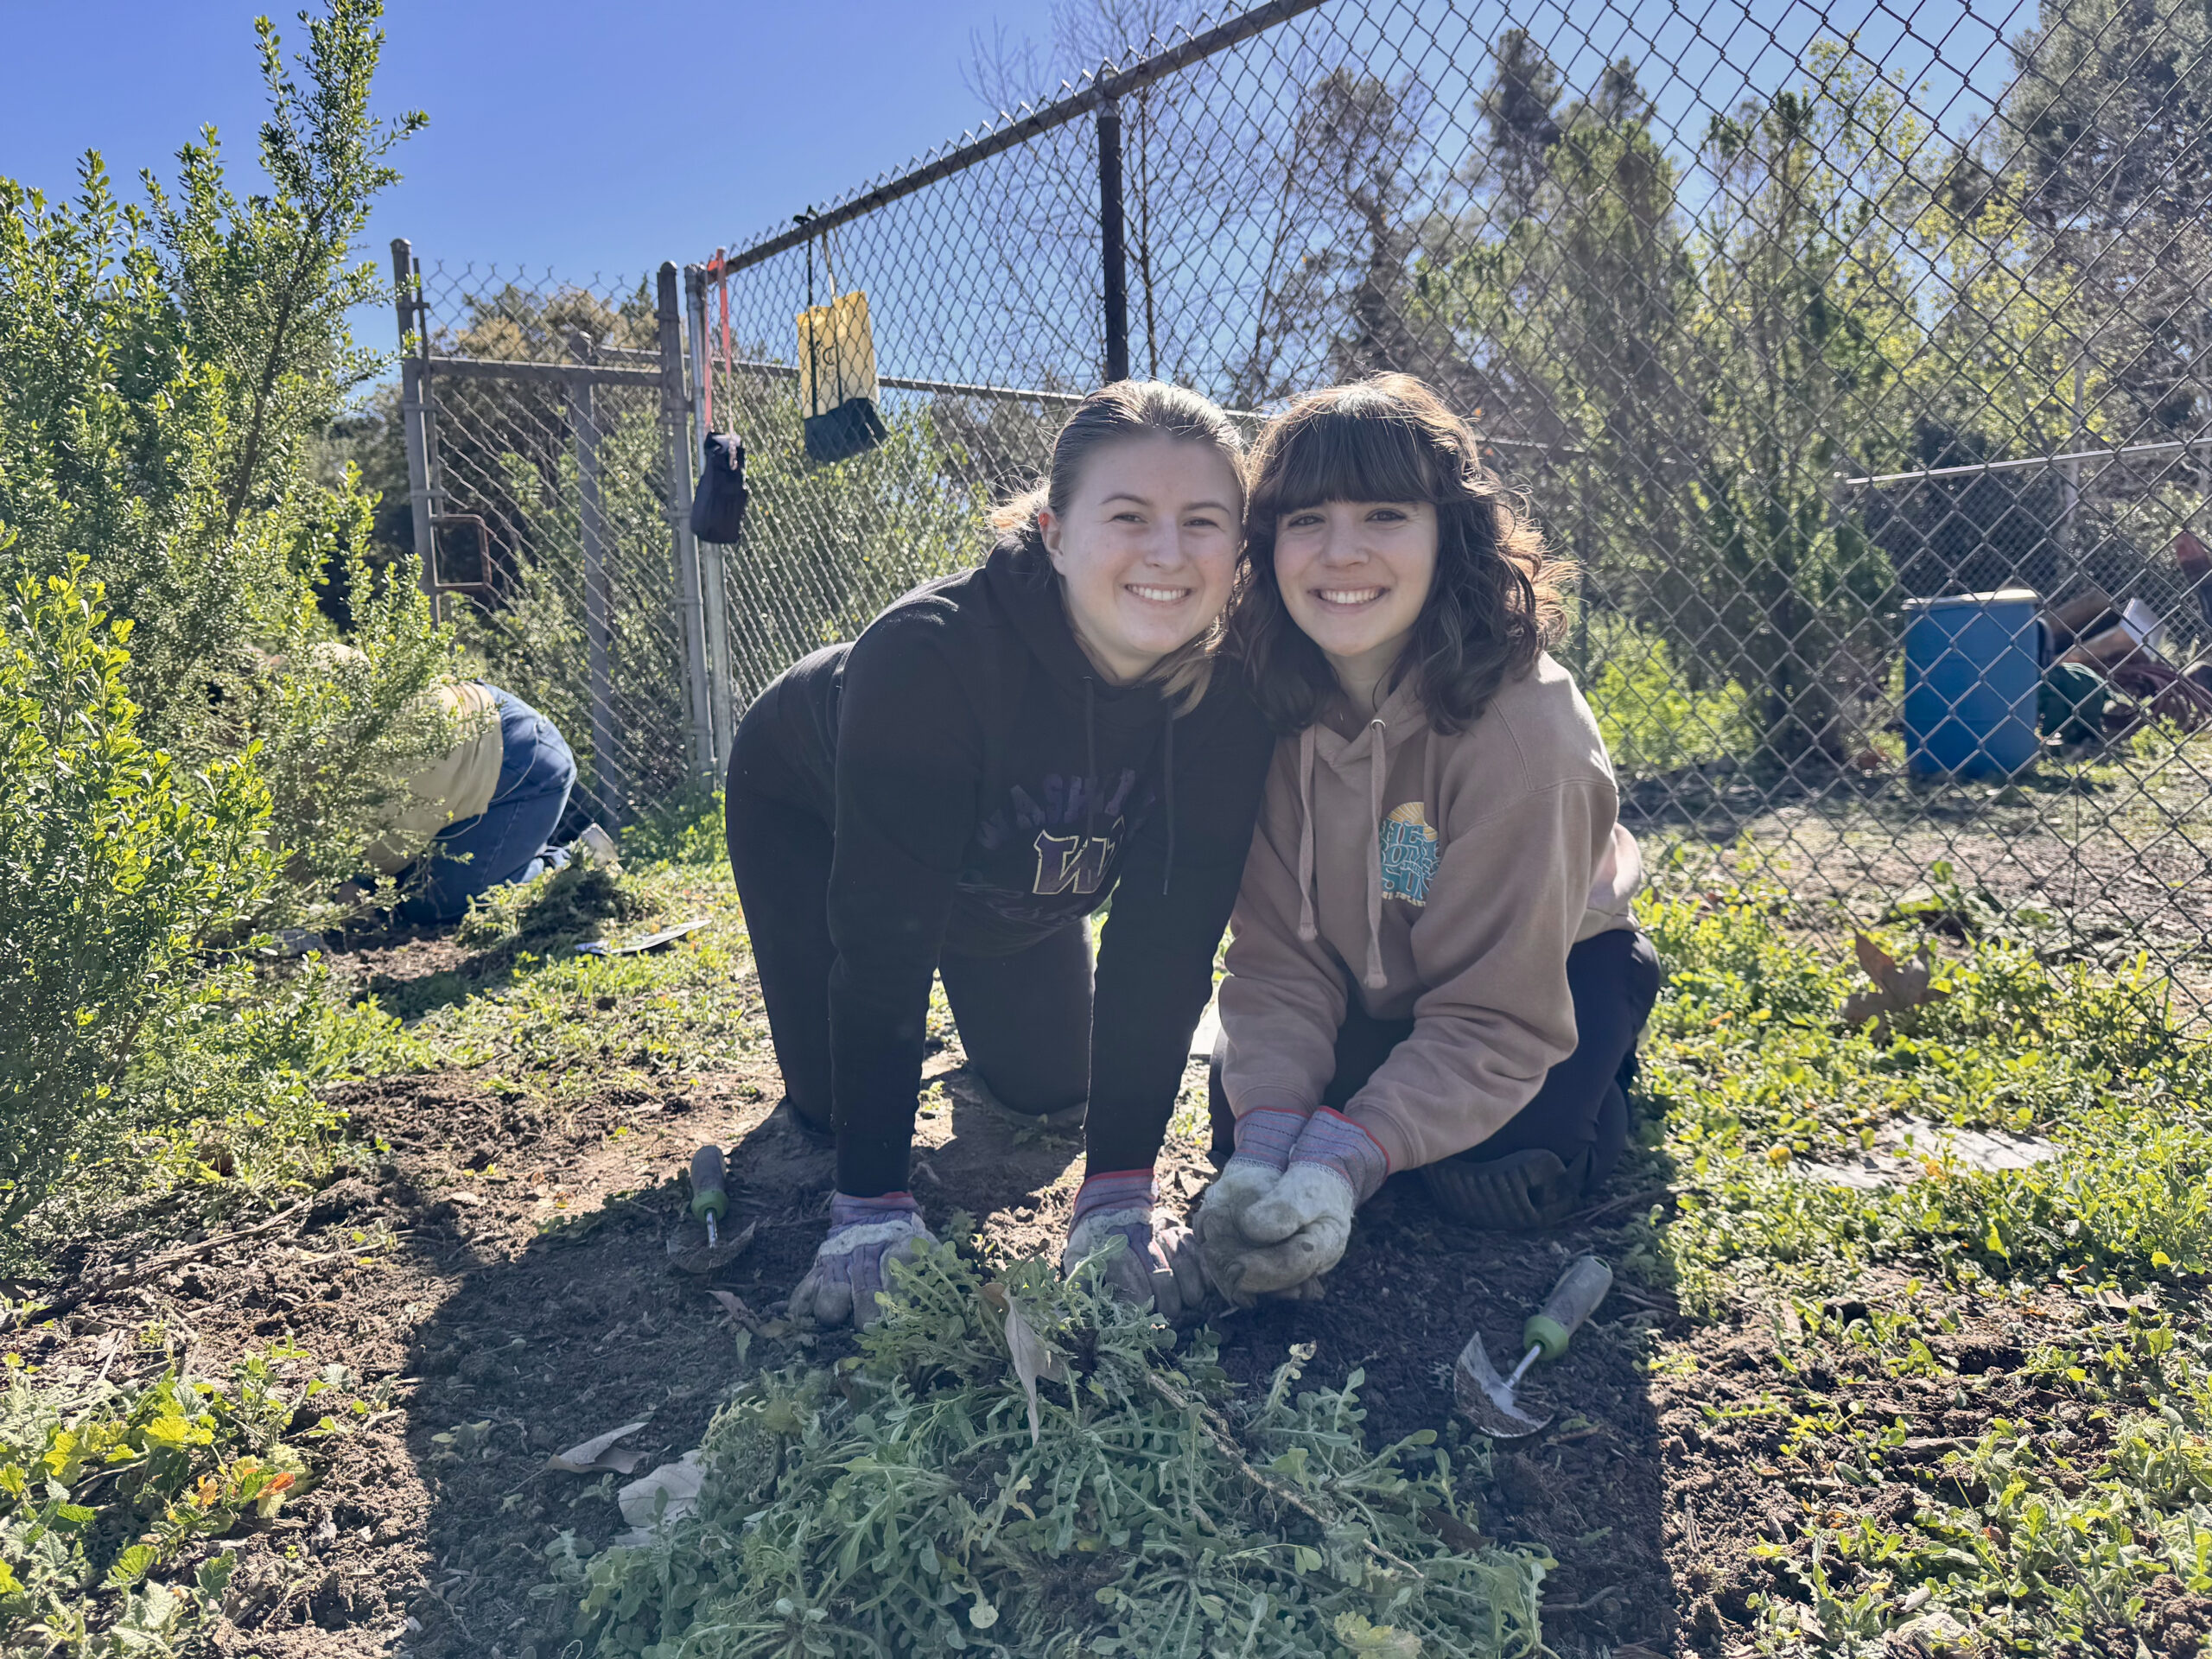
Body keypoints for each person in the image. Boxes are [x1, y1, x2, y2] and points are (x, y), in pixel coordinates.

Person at [725, 382, 1274, 1330]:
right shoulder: (930, 658)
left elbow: (1165, 946)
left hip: (1009, 878)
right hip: (809, 809)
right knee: (827, 1114)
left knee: (1058, 1089)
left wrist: (1118, 1195)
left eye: (1202, 522)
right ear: (1055, 533)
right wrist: (870, 1209)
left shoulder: (1224, 694)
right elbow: (882, 948)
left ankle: (989, 1023)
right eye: (1129, 516)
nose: (1167, 554)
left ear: (1238, 547)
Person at [1196, 375, 1659, 1305]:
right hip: (1369, 979)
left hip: (1539, 977)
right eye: (1305, 520)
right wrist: (1271, 1141)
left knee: (1499, 1174)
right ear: (1266, 545)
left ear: (1448, 534)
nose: (1341, 553)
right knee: (1240, 1123)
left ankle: (1605, 1061)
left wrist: (1343, 1160)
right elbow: (1279, 962)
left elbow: (1493, 1010)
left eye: (1383, 514)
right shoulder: (1258, 705)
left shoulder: (1530, 736)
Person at [356, 675, 614, 925]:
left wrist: (360, 882)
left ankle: (578, 859)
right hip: (480, 764)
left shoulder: (394, 750)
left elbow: (396, 840)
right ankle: (513, 855)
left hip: (523, 764)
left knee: (432, 901)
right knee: (411, 882)